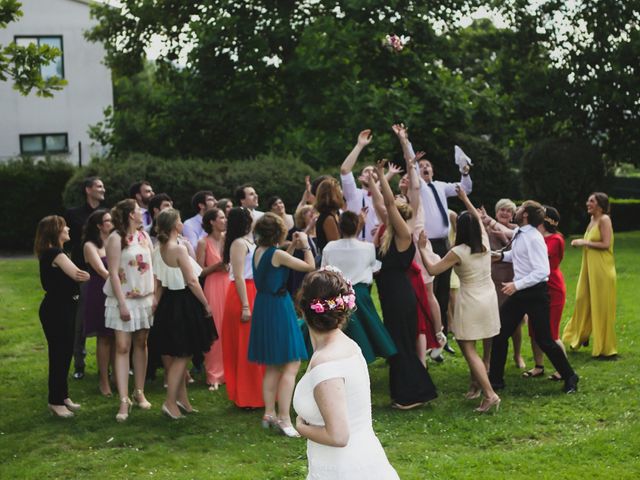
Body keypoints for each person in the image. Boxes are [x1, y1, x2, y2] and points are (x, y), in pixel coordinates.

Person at [293, 268, 400, 479]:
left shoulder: (326, 363)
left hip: (346, 469)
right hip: (356, 458)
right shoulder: (348, 345)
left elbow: (338, 436)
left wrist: (300, 427)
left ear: (302, 308)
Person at [418, 187, 501, 412]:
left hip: (471, 301)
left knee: (467, 348)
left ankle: (490, 394)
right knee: (486, 347)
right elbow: (477, 219)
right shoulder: (483, 242)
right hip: (489, 298)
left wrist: (422, 248)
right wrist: (465, 199)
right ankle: (477, 385)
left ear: (460, 230)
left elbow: (433, 270)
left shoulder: (459, 251)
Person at [392, 124, 472, 352]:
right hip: (424, 243)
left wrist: (465, 172)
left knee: (444, 289)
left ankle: (441, 335)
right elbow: (412, 165)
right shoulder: (419, 190)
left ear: (433, 171)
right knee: (428, 288)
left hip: (443, 243)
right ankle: (429, 332)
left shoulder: (441, 186)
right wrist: (405, 142)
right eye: (421, 166)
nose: (424, 168)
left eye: (428, 166)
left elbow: (465, 188)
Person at [488, 201, 579, 395]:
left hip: (535, 293)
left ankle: (570, 376)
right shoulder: (522, 233)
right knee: (500, 332)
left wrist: (516, 285)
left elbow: (542, 270)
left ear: (526, 215)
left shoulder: (534, 237)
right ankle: (495, 381)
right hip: (522, 293)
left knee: (545, 340)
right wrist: (499, 256)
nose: (516, 210)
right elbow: (518, 255)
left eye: (520, 208)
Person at [373, 159, 437, 409]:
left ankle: (412, 394)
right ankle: (411, 392)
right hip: (392, 294)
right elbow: (382, 203)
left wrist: (380, 174)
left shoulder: (403, 235)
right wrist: (377, 182)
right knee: (398, 344)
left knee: (401, 345)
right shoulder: (390, 235)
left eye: (394, 210)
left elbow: (388, 203)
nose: (389, 211)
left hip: (399, 294)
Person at [248, 213, 315, 437]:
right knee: (291, 363)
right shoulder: (276, 254)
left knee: (273, 364)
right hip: (278, 307)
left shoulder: (260, 251)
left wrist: (292, 246)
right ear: (279, 233)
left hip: (264, 305)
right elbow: (309, 266)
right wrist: (305, 246)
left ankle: (269, 413)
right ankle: (285, 418)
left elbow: (276, 264)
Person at [151, 209, 216, 419]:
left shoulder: (157, 249)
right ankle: (170, 402)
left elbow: (159, 283)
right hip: (183, 302)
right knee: (183, 354)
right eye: (179, 220)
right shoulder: (178, 249)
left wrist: (156, 304)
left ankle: (183, 402)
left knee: (177, 354)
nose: (182, 223)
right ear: (174, 225)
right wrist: (205, 303)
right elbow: (192, 280)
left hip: (168, 303)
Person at [321, 211, 397, 363]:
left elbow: (324, 270)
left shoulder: (330, 247)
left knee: (343, 330)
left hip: (337, 293)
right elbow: (374, 267)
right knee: (362, 332)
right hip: (359, 294)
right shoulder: (367, 247)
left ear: (340, 227)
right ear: (357, 226)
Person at [104, 199, 155, 422]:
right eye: (137, 211)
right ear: (129, 215)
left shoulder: (144, 237)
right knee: (122, 346)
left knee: (141, 343)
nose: (141, 214)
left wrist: (154, 296)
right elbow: (113, 272)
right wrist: (122, 303)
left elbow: (153, 265)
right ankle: (124, 399)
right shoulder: (116, 238)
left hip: (144, 298)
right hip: (123, 298)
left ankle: (139, 391)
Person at [35, 215, 90, 418]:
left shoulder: (56, 252)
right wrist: (89, 274)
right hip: (57, 310)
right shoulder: (55, 253)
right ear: (55, 231)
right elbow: (77, 274)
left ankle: (63, 395)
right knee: (59, 354)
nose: (68, 228)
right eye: (63, 226)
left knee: (65, 352)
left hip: (64, 308)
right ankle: (55, 401)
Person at [562, 192, 617, 358]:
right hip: (588, 269)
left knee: (600, 307)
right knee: (581, 300)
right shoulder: (592, 219)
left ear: (600, 205)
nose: (587, 203)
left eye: (591, 201)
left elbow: (606, 244)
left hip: (602, 270)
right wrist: (582, 241)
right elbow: (593, 240)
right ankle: (582, 334)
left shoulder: (604, 219)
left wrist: (583, 242)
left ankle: (605, 348)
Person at [222, 207, 265, 408]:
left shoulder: (250, 241)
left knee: (254, 343)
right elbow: (238, 275)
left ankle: (258, 392)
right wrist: (246, 305)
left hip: (253, 289)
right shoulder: (238, 244)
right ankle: (247, 395)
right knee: (244, 344)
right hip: (242, 293)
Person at [64, 176, 106, 379]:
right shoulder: (73, 214)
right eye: (99, 186)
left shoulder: (107, 214)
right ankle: (79, 364)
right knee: (80, 320)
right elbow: (66, 244)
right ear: (88, 190)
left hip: (105, 271)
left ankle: (107, 364)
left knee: (107, 319)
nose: (103, 189)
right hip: (82, 273)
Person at [481, 198, 526, 370]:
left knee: (515, 321)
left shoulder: (516, 230)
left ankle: (517, 355)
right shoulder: (486, 228)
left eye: (508, 211)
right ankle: (487, 358)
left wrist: (504, 237)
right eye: (502, 210)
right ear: (496, 211)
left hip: (512, 277)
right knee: (490, 320)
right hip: (492, 279)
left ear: (513, 214)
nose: (505, 213)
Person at [524, 206, 567, 379]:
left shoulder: (556, 239)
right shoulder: (535, 236)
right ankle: (539, 366)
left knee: (551, 333)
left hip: (553, 289)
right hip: (536, 287)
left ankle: (563, 370)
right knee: (534, 330)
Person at [196, 207, 230, 391]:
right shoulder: (203, 242)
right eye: (221, 217)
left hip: (229, 284)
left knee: (229, 327)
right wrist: (216, 266)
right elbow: (199, 270)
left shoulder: (228, 240)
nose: (225, 220)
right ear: (212, 222)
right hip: (213, 285)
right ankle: (214, 374)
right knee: (215, 328)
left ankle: (230, 371)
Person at [82, 209, 114, 397]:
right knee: (104, 336)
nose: (112, 223)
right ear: (99, 225)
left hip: (118, 291)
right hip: (100, 291)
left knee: (117, 336)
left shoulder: (116, 241)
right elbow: (102, 271)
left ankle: (116, 377)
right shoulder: (90, 246)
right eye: (108, 221)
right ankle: (103, 380)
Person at [339, 129, 380, 242]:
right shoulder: (353, 193)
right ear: (360, 178)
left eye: (374, 172)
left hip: (378, 248)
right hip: (355, 246)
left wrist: (383, 228)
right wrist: (359, 145)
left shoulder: (385, 198)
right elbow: (345, 170)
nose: (371, 173)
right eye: (367, 171)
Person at [286, 204, 318, 296]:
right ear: (301, 217)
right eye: (307, 211)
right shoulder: (299, 233)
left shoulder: (320, 232)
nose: (311, 212)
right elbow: (301, 238)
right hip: (303, 273)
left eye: (313, 210)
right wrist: (310, 226)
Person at [314, 177, 343, 257]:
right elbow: (337, 248)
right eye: (339, 191)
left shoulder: (336, 214)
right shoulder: (328, 218)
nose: (341, 193)